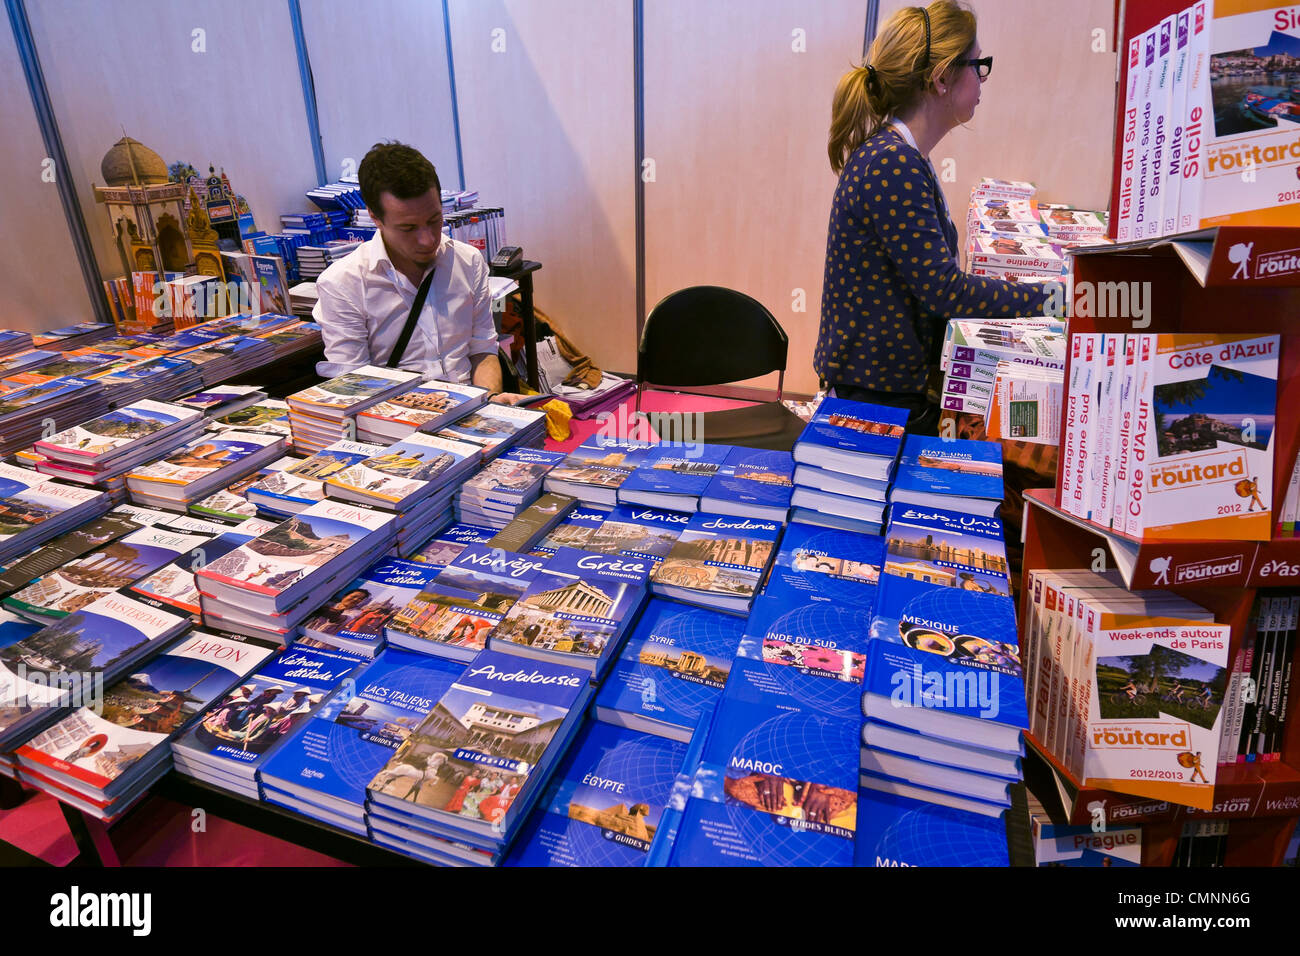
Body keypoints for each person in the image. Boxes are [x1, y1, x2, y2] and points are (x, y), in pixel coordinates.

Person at [817, 2, 1053, 434]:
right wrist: (1051, 300)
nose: (982, 80)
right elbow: (944, 290)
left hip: (884, 388)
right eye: (977, 66)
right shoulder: (894, 164)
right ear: (942, 77)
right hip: (878, 398)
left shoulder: (903, 156)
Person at [312, 141, 525, 404]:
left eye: (434, 220)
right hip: (395, 424)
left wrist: (492, 400)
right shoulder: (344, 283)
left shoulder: (467, 261)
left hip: (471, 413)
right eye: (408, 228)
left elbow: (482, 349)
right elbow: (354, 390)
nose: (427, 240)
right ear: (374, 217)